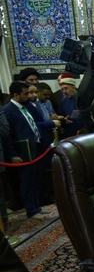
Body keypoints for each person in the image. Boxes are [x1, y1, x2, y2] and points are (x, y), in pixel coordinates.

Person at [3, 82, 48, 218]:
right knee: (27, 181)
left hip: (34, 148)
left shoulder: (25, 107)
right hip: (23, 151)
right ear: (16, 95)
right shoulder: (8, 110)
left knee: (35, 179)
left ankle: (36, 206)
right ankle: (30, 209)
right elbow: (7, 136)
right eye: (26, 94)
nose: (29, 96)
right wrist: (12, 155)